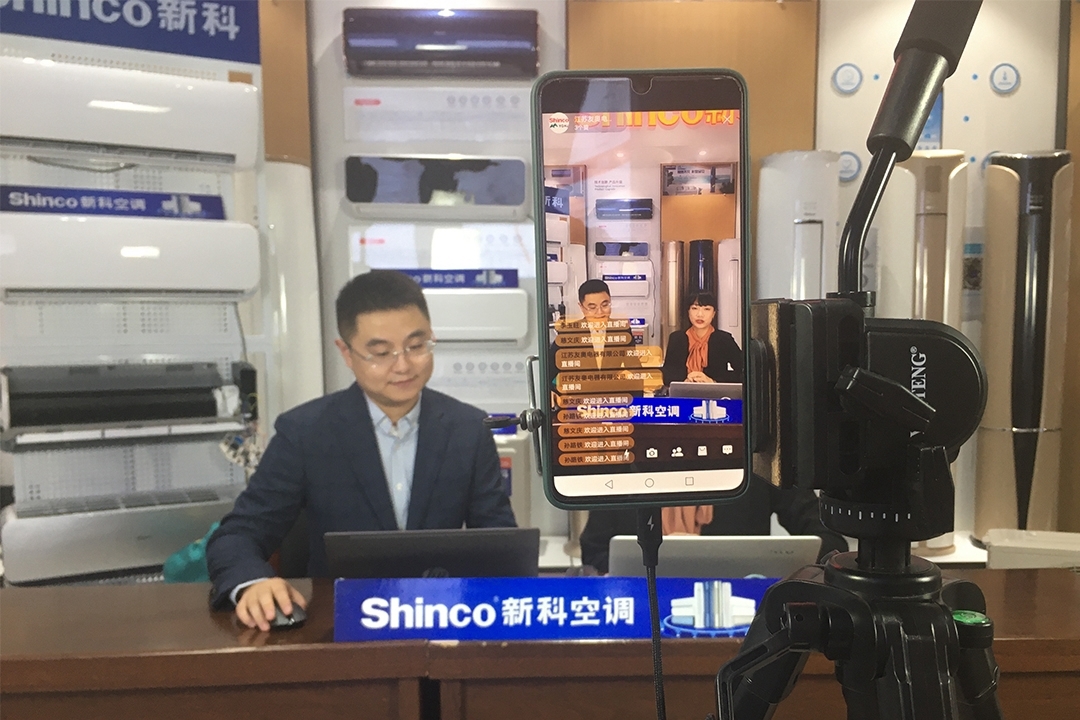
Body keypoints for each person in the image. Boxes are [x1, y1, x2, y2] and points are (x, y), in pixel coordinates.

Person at [206, 270, 516, 630]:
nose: (403, 365)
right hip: (340, 627)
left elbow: (500, 545)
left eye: (417, 346)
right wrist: (253, 583)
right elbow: (238, 535)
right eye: (381, 353)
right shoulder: (306, 433)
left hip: (442, 621)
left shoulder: (469, 429)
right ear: (347, 353)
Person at [578, 476, 849, 574]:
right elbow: (594, 553)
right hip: (643, 612)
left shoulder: (757, 462)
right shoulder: (623, 467)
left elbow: (829, 541)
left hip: (748, 616)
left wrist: (793, 576)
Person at [662, 291, 743, 385]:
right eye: (694, 308)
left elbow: (744, 371)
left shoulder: (724, 339)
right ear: (688, 311)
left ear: (714, 313)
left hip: (714, 392)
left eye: (707, 309)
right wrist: (684, 382)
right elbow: (667, 375)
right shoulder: (676, 338)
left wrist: (713, 381)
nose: (700, 314)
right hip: (684, 392)